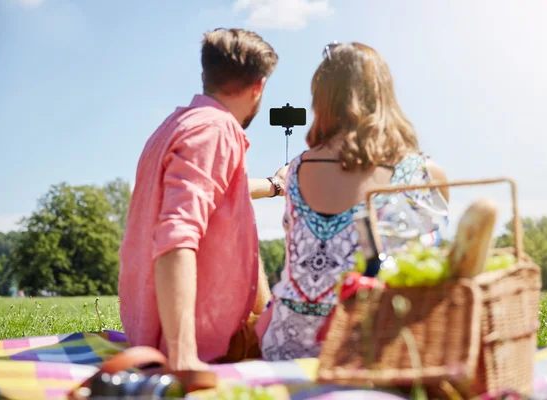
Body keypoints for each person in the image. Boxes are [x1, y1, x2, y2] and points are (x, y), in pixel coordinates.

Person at [254, 42, 450, 361]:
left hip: (286, 350)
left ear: (321, 100)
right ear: (384, 96)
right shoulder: (426, 173)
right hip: (381, 354)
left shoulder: (296, 170)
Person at [118, 28, 283, 371]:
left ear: (207, 75)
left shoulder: (177, 125)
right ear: (259, 87)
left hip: (150, 331)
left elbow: (220, 194)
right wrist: (184, 358)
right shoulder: (216, 130)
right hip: (196, 344)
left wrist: (274, 185)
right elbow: (177, 236)